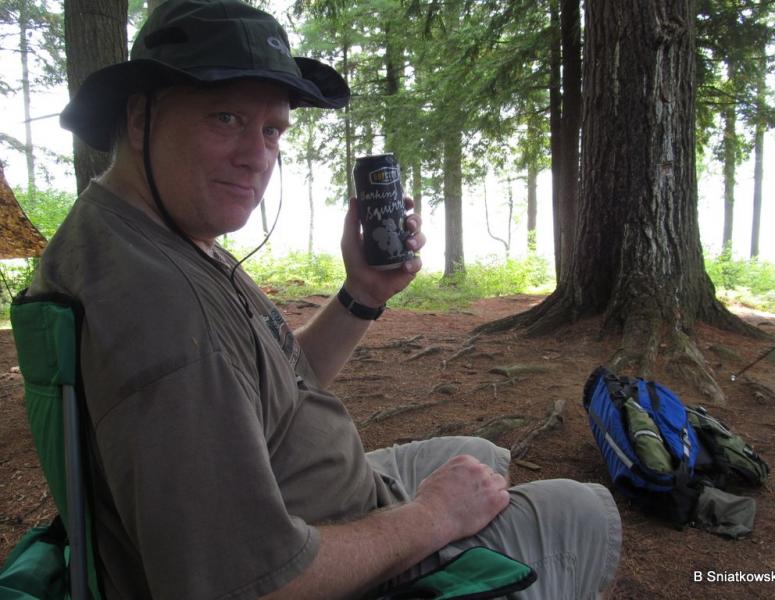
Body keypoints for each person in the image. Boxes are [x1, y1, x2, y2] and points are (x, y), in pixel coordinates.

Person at [29, 1, 621, 598]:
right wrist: (431, 518)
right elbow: (249, 583)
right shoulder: (164, 309)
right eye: (226, 117)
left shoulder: (148, 235)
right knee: (584, 509)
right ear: (139, 119)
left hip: (305, 493)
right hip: (314, 553)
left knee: (479, 453)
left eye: (272, 130)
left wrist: (362, 295)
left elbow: (277, 381)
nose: (256, 156)